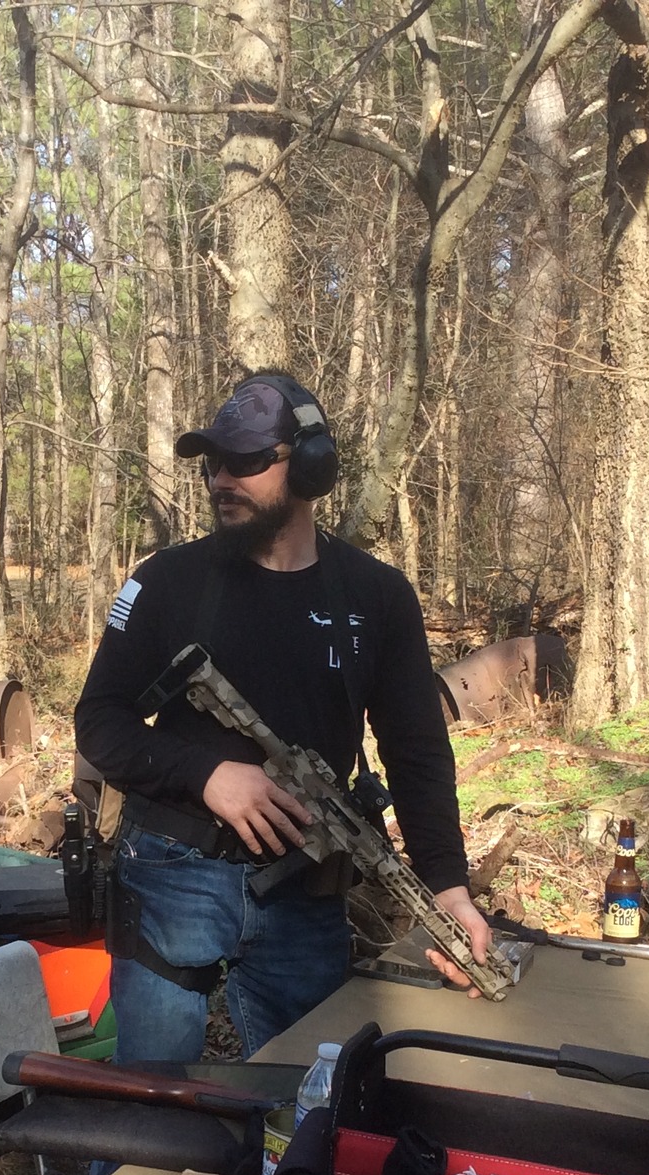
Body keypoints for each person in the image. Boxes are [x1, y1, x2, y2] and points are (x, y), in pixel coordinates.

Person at [73, 372, 490, 1064]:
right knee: (151, 1098)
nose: (220, 480)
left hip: (304, 887)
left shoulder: (377, 597)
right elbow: (99, 722)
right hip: (172, 877)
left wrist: (447, 886)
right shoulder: (165, 582)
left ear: (310, 466)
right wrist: (208, 775)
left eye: (243, 462)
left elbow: (416, 753)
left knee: (310, 1093)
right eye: (213, 464)